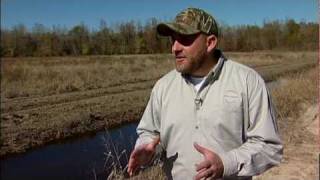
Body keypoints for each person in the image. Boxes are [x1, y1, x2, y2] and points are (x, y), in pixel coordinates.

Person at [127, 7, 283, 180]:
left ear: (210, 42)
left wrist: (226, 164)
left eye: (184, 39)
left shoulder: (247, 81)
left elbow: (269, 147)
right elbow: (150, 133)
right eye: (172, 40)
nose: (174, 48)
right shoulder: (163, 87)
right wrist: (147, 148)